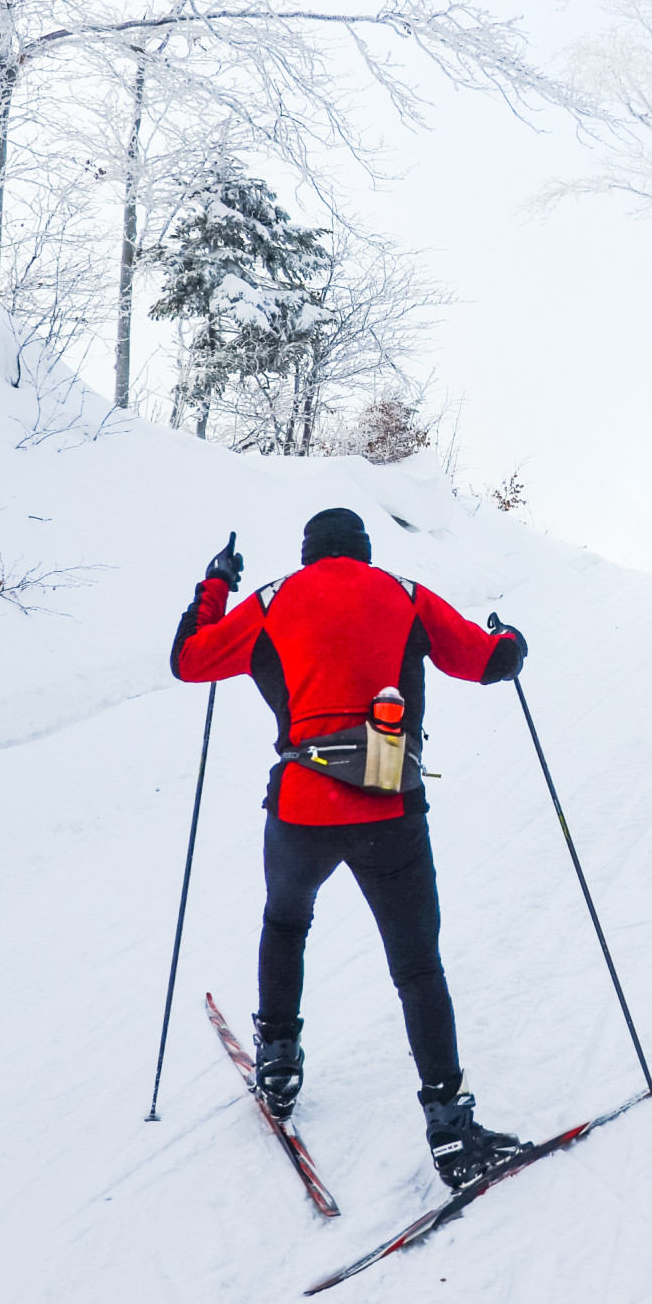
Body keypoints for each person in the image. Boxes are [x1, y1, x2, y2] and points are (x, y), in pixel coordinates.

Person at [169, 506, 532, 1189]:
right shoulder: (404, 593)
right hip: (388, 806)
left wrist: (215, 584)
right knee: (417, 966)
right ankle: (450, 1128)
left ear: (308, 554)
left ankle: (276, 1060)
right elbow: (491, 663)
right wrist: (507, 634)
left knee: (286, 920)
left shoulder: (274, 599)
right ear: (363, 552)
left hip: (300, 809)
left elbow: (189, 659)